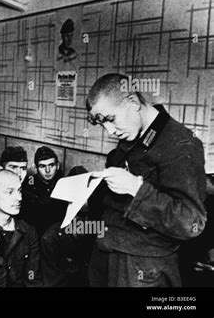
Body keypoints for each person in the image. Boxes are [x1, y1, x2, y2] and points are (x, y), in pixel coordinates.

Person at [86, 73, 206, 287]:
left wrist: (137, 189)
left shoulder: (180, 144)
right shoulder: (134, 134)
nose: (110, 131)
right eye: (103, 125)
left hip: (142, 267)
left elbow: (191, 222)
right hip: (108, 248)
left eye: (111, 120)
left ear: (133, 102)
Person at [0, 170, 42, 287]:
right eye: (10, 192)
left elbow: (32, 278)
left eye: (19, 191)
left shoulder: (28, 232)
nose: (19, 198)